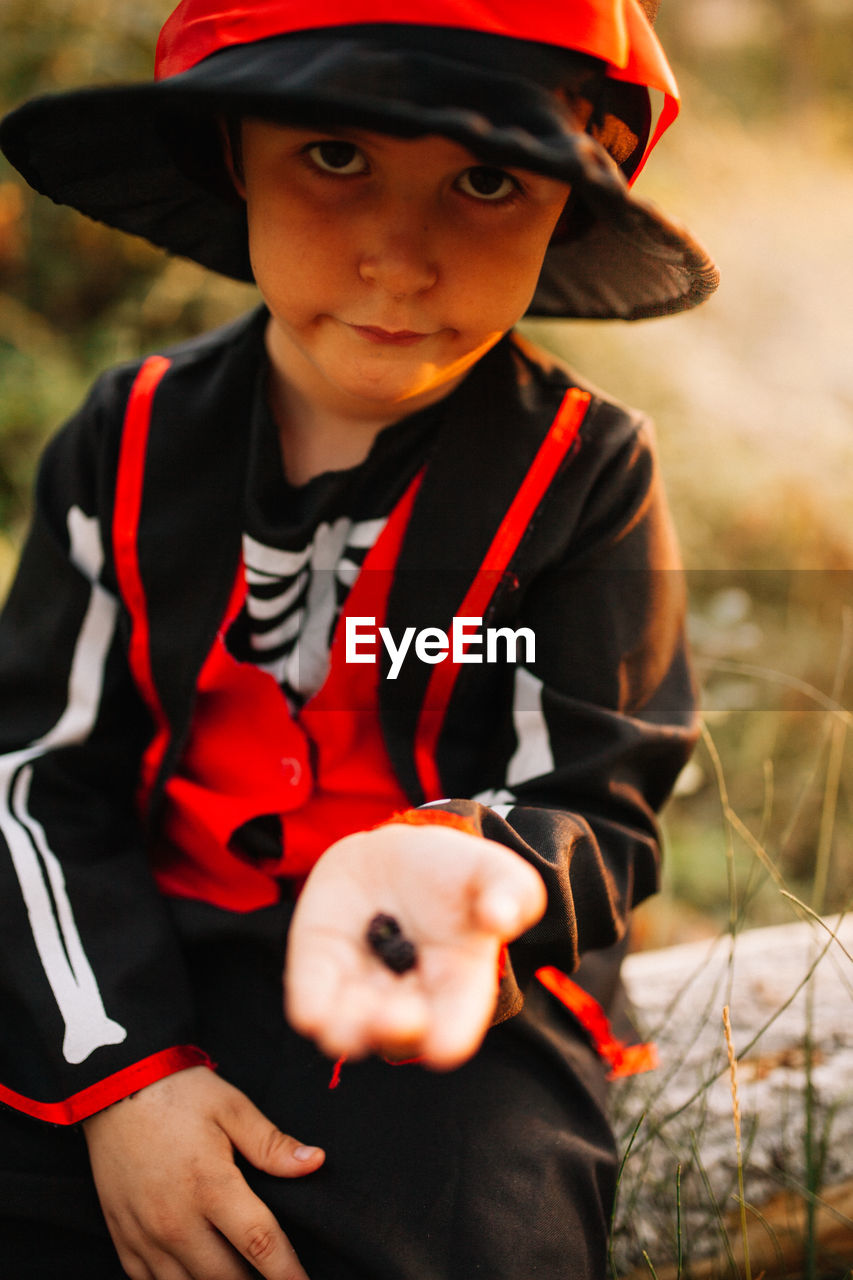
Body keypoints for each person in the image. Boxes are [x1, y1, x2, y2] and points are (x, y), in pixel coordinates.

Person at [0, 2, 718, 1276]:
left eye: (487, 180)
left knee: (474, 1229)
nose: (401, 255)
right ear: (234, 149)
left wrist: (472, 870)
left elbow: (598, 799)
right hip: (130, 947)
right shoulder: (124, 441)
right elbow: (36, 773)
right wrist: (121, 1074)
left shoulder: (586, 475)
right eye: (334, 157)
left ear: (565, 201)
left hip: (433, 1000)